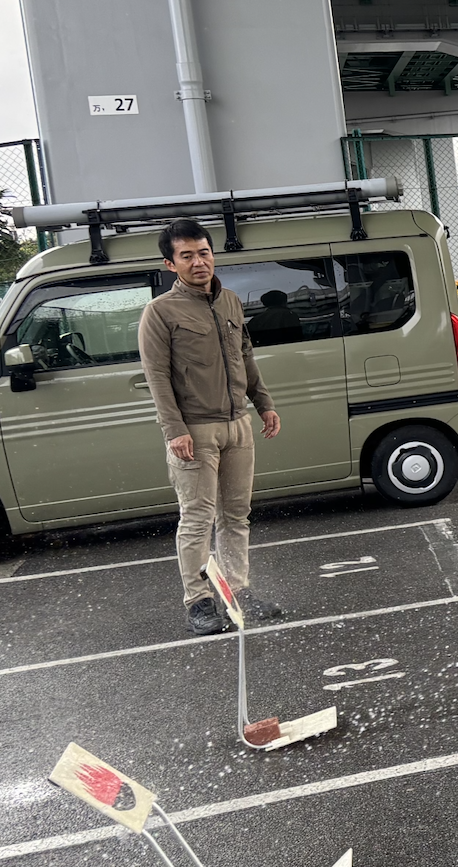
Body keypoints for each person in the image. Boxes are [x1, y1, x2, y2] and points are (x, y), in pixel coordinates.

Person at [137, 218, 284, 635]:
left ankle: (235, 590)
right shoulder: (160, 312)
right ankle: (198, 601)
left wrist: (263, 404)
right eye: (187, 256)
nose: (198, 261)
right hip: (195, 431)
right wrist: (174, 430)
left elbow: (246, 357)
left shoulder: (231, 301)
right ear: (171, 264)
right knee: (197, 518)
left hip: (237, 424)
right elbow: (158, 378)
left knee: (236, 515)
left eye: (203, 252)